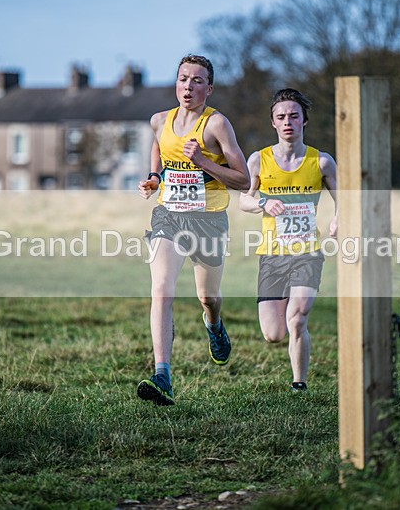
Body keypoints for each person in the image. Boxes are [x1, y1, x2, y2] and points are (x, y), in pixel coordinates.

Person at [136, 54, 250, 406]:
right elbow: (159, 146)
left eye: (197, 80)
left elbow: (244, 180)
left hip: (208, 220)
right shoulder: (159, 120)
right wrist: (155, 178)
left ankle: (214, 325)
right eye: (183, 78)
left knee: (208, 298)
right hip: (169, 216)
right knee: (161, 290)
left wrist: (201, 161)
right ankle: (163, 376)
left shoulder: (217, 125)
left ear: (208, 89)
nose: (188, 86)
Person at [239, 88, 337, 393]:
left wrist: (339, 218)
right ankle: (295, 370)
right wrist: (263, 203)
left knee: (297, 318)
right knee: (274, 334)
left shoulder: (321, 162)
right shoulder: (259, 160)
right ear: (273, 122)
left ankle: (299, 383)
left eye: (294, 116)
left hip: (308, 252)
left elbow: (345, 198)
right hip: (272, 255)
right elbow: (243, 200)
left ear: (304, 120)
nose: (287, 122)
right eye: (281, 117)